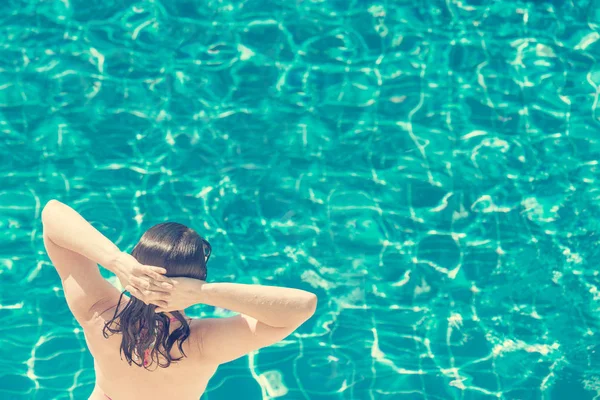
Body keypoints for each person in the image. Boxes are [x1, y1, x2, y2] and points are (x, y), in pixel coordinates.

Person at [41, 199, 317, 400]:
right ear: (198, 276)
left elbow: (52, 214)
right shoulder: (200, 344)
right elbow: (303, 306)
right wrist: (202, 292)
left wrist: (116, 261)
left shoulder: (98, 314)